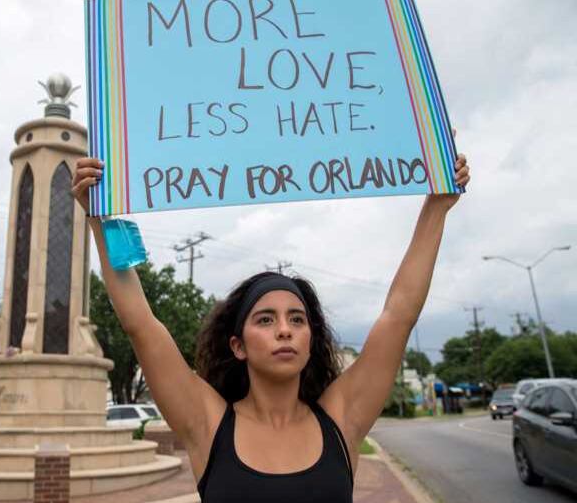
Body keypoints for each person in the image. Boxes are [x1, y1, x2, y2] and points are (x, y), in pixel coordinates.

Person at [71, 153, 470, 502]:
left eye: (297, 319)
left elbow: (398, 315)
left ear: (311, 341)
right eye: (266, 319)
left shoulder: (341, 419)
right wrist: (99, 218)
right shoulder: (208, 423)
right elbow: (140, 323)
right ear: (238, 345)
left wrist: (437, 205)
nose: (285, 329)